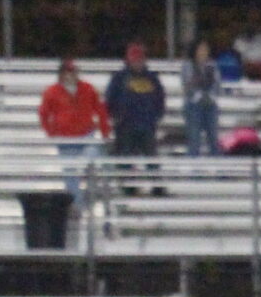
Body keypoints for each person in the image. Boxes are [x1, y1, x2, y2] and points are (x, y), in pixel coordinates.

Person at [37, 57, 109, 194]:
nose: (70, 75)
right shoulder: (51, 92)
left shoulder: (87, 89)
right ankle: (76, 206)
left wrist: (105, 132)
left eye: (73, 71)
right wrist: (52, 132)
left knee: (93, 159)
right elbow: (43, 114)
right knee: (70, 175)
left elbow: (100, 110)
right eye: (67, 72)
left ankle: (90, 192)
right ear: (61, 74)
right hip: (65, 140)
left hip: (86, 135)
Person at [104, 43, 168, 194]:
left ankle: (157, 186)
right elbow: (110, 99)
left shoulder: (152, 78)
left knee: (152, 158)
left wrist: (156, 115)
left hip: (147, 125)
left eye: (140, 59)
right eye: (134, 59)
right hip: (125, 125)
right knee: (125, 159)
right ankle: (128, 187)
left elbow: (160, 98)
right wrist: (116, 116)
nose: (138, 63)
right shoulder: (119, 78)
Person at [180, 40, 223, 157]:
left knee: (214, 139)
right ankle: (193, 170)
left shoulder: (212, 65)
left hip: (210, 105)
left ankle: (219, 170)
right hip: (193, 106)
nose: (203, 52)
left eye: (205, 49)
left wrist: (210, 97)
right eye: (201, 49)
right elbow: (188, 85)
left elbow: (217, 84)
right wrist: (200, 96)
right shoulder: (187, 66)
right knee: (194, 140)